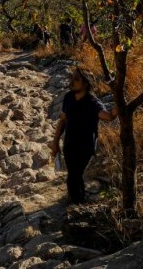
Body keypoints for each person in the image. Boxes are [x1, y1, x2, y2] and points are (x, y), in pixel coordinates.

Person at [48, 67, 117, 204]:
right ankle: (78, 202)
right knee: (74, 176)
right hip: (69, 144)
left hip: (85, 147)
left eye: (76, 79)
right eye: (72, 77)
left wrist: (120, 103)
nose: (72, 81)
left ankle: (76, 203)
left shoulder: (92, 103)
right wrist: (55, 143)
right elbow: (63, 120)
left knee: (74, 175)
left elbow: (108, 116)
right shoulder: (69, 97)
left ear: (86, 83)